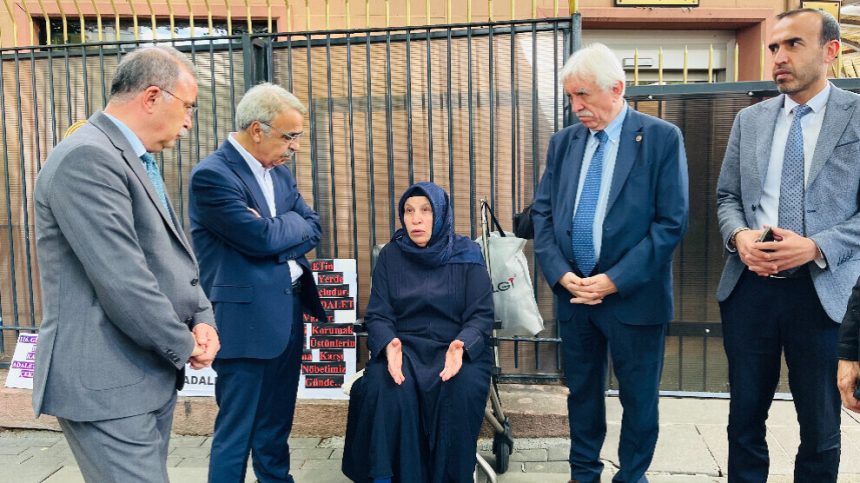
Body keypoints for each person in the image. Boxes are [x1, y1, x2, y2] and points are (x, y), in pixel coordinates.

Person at [32, 45, 220, 483]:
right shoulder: (87, 157)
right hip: (106, 384)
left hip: (141, 375)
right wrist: (184, 343)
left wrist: (203, 318)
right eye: (188, 107)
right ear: (152, 96)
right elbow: (124, 280)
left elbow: (169, 255)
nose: (189, 122)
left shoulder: (131, 157)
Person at [532, 43, 689, 483]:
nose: (575, 106)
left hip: (633, 298)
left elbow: (671, 223)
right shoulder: (563, 143)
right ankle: (583, 474)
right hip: (575, 295)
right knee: (582, 394)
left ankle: (631, 477)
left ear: (617, 89)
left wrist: (614, 280)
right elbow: (543, 214)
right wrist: (561, 274)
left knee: (639, 400)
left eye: (582, 95)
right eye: (570, 96)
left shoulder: (660, 138)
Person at [715, 8, 860, 482]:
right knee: (743, 421)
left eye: (793, 44)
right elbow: (727, 197)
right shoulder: (749, 120)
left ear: (830, 50)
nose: (778, 56)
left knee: (820, 428)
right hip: (750, 290)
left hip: (823, 294)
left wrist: (816, 246)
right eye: (774, 46)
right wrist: (739, 237)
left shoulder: (856, 116)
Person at [189, 82, 327, 483]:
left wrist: (273, 229)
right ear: (257, 130)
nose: (295, 146)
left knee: (275, 428)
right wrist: (280, 230)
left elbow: (313, 226)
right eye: (289, 135)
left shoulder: (279, 174)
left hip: (288, 315)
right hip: (244, 323)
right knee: (237, 431)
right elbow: (259, 239)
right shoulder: (212, 176)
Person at [341, 181, 494, 483]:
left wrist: (463, 344)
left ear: (441, 214)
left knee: (459, 388)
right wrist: (387, 343)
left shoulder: (467, 254)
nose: (416, 219)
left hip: (454, 349)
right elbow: (378, 313)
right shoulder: (391, 256)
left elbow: (481, 314)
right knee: (386, 386)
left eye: (425, 210)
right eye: (409, 211)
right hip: (405, 348)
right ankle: (386, 477)